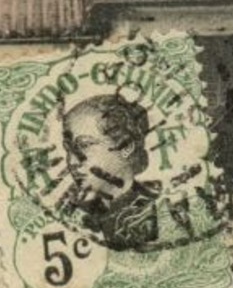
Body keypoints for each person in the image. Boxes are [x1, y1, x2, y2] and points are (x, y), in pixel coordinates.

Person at [57, 94, 162, 252]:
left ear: (125, 147)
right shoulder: (72, 214)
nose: (72, 162)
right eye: (68, 149)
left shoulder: (158, 214)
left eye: (85, 145)